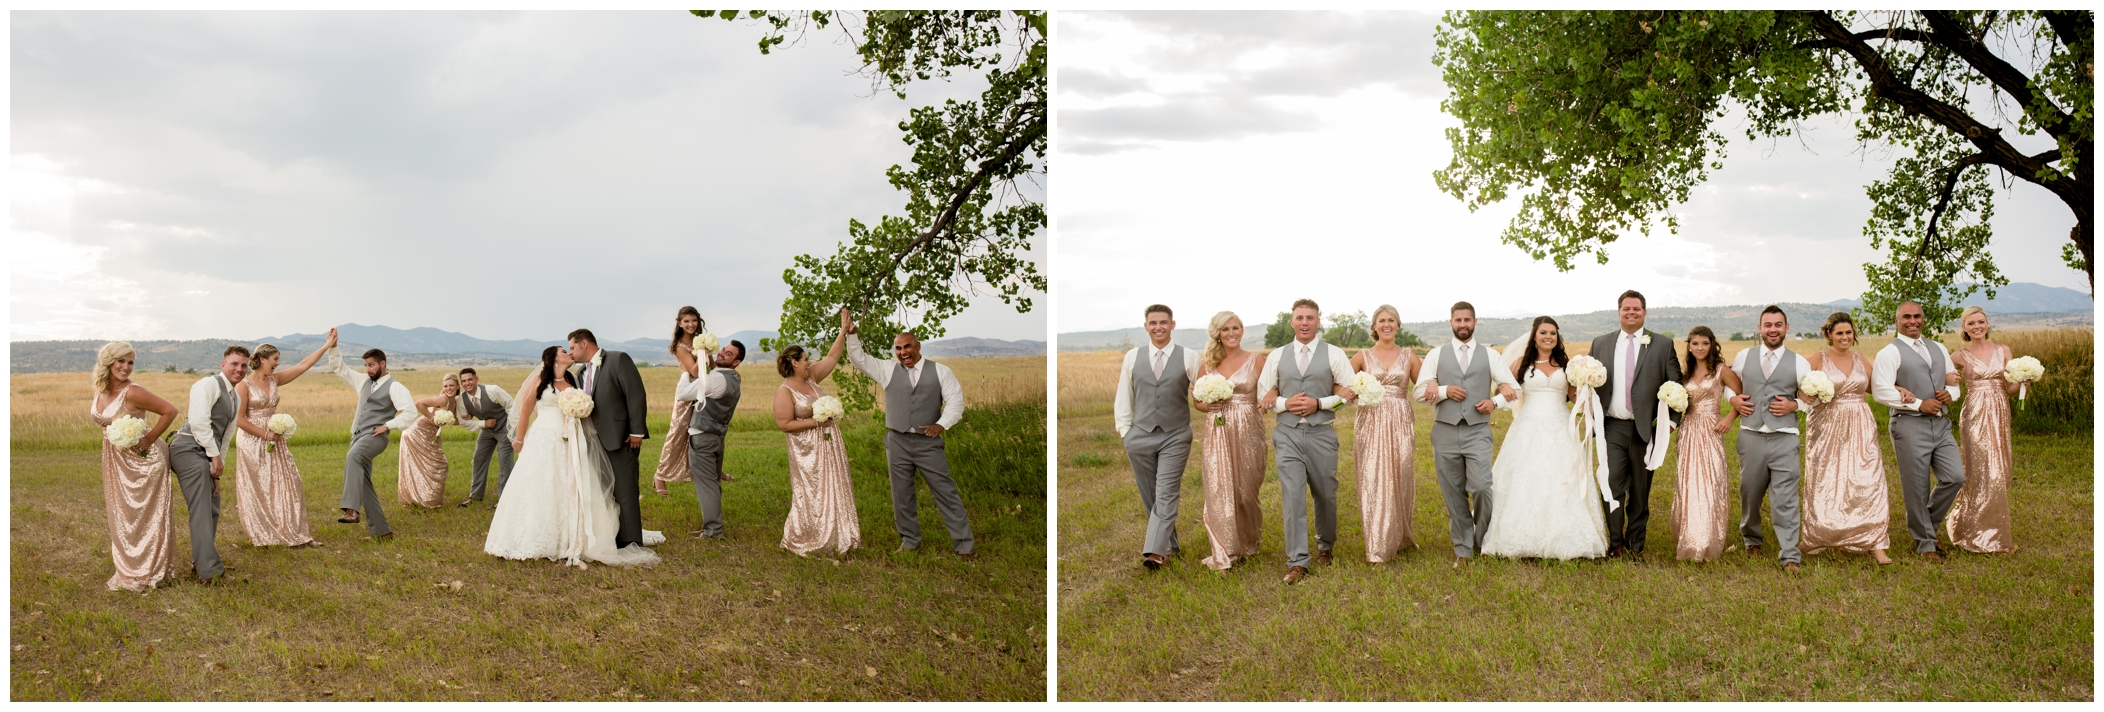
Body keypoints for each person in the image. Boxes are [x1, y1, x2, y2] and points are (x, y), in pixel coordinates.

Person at [483, 346, 662, 568]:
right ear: (553, 358)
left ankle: (577, 536)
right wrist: (519, 439)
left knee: (574, 482)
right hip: (543, 438)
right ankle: (535, 536)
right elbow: (525, 411)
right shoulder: (540, 380)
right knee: (542, 484)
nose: (569, 353)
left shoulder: (573, 380)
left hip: (571, 440)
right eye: (563, 351)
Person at [842, 309, 976, 559]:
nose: (903, 352)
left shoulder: (941, 371)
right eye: (898, 348)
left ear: (918, 346)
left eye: (907, 347)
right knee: (901, 495)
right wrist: (852, 335)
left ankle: (964, 546)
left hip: (928, 443)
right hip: (898, 441)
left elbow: (956, 402)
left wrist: (942, 424)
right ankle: (910, 540)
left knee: (946, 493)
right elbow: (859, 360)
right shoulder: (888, 370)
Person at [1480, 316, 1608, 560]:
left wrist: (1585, 389)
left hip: (1560, 427)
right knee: (1525, 478)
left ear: (1557, 337)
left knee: (1562, 477)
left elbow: (1574, 396)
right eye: (1543, 333)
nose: (1548, 337)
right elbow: (1502, 388)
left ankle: (1567, 537)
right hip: (1527, 427)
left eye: (1552, 333)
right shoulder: (1521, 363)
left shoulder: (1567, 365)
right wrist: (1503, 390)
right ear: (1534, 336)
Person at [1258, 298, 1358, 584]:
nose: (1304, 323)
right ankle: (1297, 561)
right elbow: (1263, 396)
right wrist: (1284, 403)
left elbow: (1350, 395)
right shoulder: (1277, 356)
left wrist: (1320, 403)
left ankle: (1325, 545)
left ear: (1318, 322)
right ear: (1292, 322)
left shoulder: (1334, 354)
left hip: (1322, 434)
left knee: (1325, 493)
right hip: (1287, 433)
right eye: (1300, 318)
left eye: (1310, 318)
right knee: (1292, 496)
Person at [1416, 301, 1520, 568]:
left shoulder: (1490, 355)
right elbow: (1418, 393)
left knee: (1483, 487)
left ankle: (1480, 539)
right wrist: (1443, 391)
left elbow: (1513, 389)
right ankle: (1463, 549)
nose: (1462, 324)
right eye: (1458, 320)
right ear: (1451, 322)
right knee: (1453, 492)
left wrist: (1494, 402)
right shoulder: (1436, 355)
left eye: (1467, 320)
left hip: (1477, 431)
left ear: (1475, 322)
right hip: (1445, 430)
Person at [1586, 290, 1683, 559]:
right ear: (1619, 312)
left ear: (1644, 312)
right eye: (1626, 308)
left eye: (1636, 309)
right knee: (1612, 484)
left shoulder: (1662, 345)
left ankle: (1635, 545)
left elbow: (1676, 386)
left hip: (1644, 430)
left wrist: (1670, 423)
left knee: (1640, 491)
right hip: (1612, 427)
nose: (1631, 312)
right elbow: (1589, 382)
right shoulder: (1600, 344)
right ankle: (1616, 544)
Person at [1871, 300, 1966, 562]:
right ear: (1897, 321)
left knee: (1955, 477)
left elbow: (1953, 380)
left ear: (1923, 319)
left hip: (1941, 424)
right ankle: (1925, 543)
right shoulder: (1889, 353)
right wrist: (1918, 404)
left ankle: (1927, 527)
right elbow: (1880, 391)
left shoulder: (1938, 348)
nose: (1913, 321)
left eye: (1917, 316)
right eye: (1907, 317)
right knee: (1917, 486)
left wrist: (1951, 394)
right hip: (1908, 423)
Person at [1800, 312, 1895, 564]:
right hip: (1826, 425)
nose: (1845, 337)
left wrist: (1900, 389)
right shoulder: (1818, 358)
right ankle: (1828, 535)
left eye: (1849, 332)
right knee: (1828, 479)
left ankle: (1875, 543)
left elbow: (1877, 387)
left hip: (1860, 424)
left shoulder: (1860, 359)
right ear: (1829, 334)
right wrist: (1802, 394)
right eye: (1839, 333)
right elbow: (1795, 383)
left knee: (1868, 478)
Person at [1725, 306, 1814, 572]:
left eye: (1778, 325)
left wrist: (1795, 405)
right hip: (1751, 435)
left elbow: (1812, 397)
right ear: (1760, 328)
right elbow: (1728, 382)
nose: (1773, 329)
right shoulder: (1744, 356)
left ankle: (1790, 554)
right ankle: (1751, 540)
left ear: (1786, 328)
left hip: (1785, 437)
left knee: (1785, 497)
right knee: (1750, 493)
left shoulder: (1799, 362)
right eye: (1768, 325)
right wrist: (1732, 399)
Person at [89, 341, 181, 591]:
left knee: (144, 516)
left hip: (145, 461)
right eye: (121, 361)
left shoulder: (133, 392)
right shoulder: (101, 389)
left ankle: (149, 571)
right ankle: (130, 566)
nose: (126, 367)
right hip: (116, 460)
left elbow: (170, 411)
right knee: (123, 514)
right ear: (109, 362)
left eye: (130, 362)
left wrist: (149, 439)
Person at [1113, 304, 1198, 570]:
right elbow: (1124, 394)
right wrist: (1125, 432)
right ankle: (1170, 546)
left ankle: (1155, 552)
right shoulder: (1132, 357)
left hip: (1176, 434)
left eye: (1163, 322)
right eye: (1153, 323)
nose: (1158, 327)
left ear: (1172, 325)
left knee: (1166, 491)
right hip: (1139, 435)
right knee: (1150, 495)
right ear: (1146, 326)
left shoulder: (1189, 357)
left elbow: (1203, 392)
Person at [232, 332, 333, 547]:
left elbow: (303, 366)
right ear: (262, 359)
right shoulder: (243, 385)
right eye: (275, 359)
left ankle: (296, 533)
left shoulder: (274, 379)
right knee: (260, 487)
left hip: (275, 438)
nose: (277, 363)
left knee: (290, 483)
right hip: (252, 441)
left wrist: (326, 346)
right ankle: (265, 534)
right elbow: (239, 420)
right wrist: (264, 434)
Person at [774, 324, 860, 557]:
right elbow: (784, 424)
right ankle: (807, 536)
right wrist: (816, 422)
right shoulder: (785, 391)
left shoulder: (812, 377)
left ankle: (838, 535)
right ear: (794, 362)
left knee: (834, 484)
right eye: (805, 359)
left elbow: (832, 357)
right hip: (806, 449)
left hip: (830, 442)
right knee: (812, 489)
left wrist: (843, 332)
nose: (809, 362)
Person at [1192, 311, 1267, 571]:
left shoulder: (1257, 361)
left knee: (1247, 491)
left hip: (1249, 429)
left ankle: (1249, 542)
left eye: (1235, 328)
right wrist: (1209, 406)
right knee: (1220, 488)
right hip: (1218, 429)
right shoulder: (1208, 364)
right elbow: (1197, 402)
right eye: (1225, 329)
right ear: (1218, 334)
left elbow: (1271, 391)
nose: (1231, 333)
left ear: (1242, 330)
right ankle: (1224, 550)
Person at [169, 345, 250, 581]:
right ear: (223, 365)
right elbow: (198, 422)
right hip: (187, 449)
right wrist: (213, 456)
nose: (239, 369)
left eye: (244, 365)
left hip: (206, 452)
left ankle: (201, 562)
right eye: (234, 364)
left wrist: (218, 468)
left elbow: (226, 435)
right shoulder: (208, 384)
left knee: (213, 506)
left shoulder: (234, 396)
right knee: (202, 510)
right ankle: (210, 572)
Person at [1349, 304, 1422, 563]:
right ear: (1374, 326)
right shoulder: (1362, 356)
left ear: (1398, 325)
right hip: (1370, 420)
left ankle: (1400, 536)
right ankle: (1377, 545)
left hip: (1401, 420)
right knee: (1373, 477)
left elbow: (1424, 386)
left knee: (1401, 475)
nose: (1387, 324)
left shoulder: (1409, 356)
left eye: (1391, 320)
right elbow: (1340, 384)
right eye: (1382, 320)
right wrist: (1352, 392)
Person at [566, 329, 651, 549]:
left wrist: (637, 431)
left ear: (585, 343)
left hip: (620, 437)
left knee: (625, 490)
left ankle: (631, 542)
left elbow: (635, 394)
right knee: (605, 491)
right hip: (593, 441)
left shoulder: (617, 359)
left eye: (572, 347)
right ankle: (612, 537)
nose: (570, 352)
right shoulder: (581, 373)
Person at [324, 344, 416, 540]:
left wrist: (388, 425)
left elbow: (410, 413)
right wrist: (333, 347)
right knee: (363, 483)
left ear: (383, 364)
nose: (368, 369)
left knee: (353, 457)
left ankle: (351, 510)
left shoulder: (395, 387)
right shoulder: (363, 381)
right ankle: (383, 532)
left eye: (371, 365)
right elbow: (340, 368)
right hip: (357, 436)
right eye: (366, 365)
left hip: (376, 437)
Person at [1947, 306, 2016, 554]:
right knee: (1981, 469)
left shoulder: (2003, 350)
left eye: (1981, 322)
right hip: (1975, 413)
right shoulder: (1959, 355)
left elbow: (2011, 389)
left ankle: (1991, 527)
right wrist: (1948, 381)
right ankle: (1977, 533)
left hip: (1999, 410)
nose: (1977, 326)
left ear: (1987, 324)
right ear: (1964, 328)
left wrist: (2024, 381)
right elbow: (1942, 380)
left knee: (2002, 469)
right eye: (1971, 323)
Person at [1669, 326, 1734, 562]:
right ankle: (1689, 536)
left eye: (1705, 343)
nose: (1700, 348)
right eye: (1695, 343)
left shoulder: (1721, 370)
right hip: (1688, 431)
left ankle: (1705, 541)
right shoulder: (1686, 373)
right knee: (1689, 482)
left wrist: (1729, 418)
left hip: (1710, 430)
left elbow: (1743, 396)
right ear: (1689, 346)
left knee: (1710, 482)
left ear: (1712, 345)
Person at [677, 339, 746, 540]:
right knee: (713, 484)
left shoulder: (716, 379)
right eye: (724, 349)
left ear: (736, 362)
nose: (723, 353)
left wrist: (685, 372)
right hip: (717, 438)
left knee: (707, 486)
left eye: (729, 354)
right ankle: (712, 526)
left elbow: (683, 394)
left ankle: (713, 530)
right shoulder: (734, 380)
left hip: (702, 438)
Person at [654, 306, 714, 496]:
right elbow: (694, 371)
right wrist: (702, 352)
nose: (691, 324)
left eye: (694, 320)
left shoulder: (700, 341)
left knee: (704, 431)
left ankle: (713, 469)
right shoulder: (680, 346)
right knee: (678, 431)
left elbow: (712, 367)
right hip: (688, 391)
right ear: (680, 323)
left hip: (705, 389)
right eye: (686, 321)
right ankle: (660, 475)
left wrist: (708, 353)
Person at [397, 373, 463, 508]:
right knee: (440, 464)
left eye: (451, 385)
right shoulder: (443, 399)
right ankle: (426, 500)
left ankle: (425, 499)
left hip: (429, 435)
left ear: (457, 386)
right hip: (417, 432)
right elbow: (419, 403)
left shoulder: (454, 402)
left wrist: (464, 419)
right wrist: (432, 419)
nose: (448, 388)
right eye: (445, 386)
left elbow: (452, 421)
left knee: (429, 465)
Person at [455, 367, 516, 507]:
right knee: (478, 459)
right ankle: (475, 496)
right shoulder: (462, 400)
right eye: (464, 381)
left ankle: (503, 500)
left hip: (504, 428)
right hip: (487, 430)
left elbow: (511, 406)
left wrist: (512, 429)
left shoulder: (492, 390)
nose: (467, 383)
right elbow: (463, 422)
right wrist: (483, 423)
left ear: (476, 379)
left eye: (470, 379)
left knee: (505, 462)